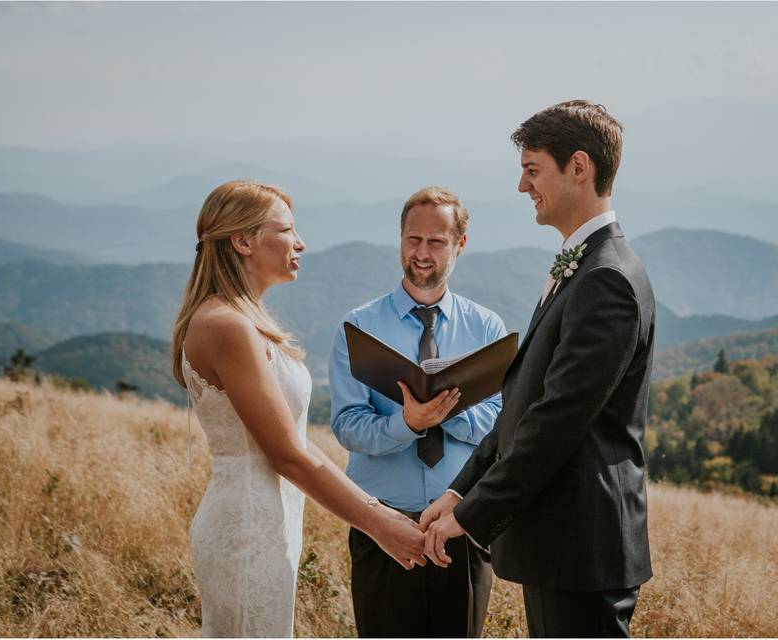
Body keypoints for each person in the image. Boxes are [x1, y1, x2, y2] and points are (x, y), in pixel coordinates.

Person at [420, 101, 656, 638]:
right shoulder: (585, 264)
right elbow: (525, 400)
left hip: (581, 545)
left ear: (579, 167)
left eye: (532, 170)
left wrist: (474, 512)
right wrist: (460, 490)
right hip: (563, 544)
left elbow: (556, 423)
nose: (522, 186)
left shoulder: (606, 280)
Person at [171, 180, 426, 638]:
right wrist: (377, 521)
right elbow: (286, 453)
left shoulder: (239, 321)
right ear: (244, 241)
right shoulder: (229, 326)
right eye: (286, 230)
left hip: (267, 519)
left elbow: (291, 441)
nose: (301, 242)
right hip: (246, 527)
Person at [328, 186, 507, 637]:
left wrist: (448, 412)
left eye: (436, 242)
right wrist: (408, 423)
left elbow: (504, 422)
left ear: (460, 245)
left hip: (462, 522)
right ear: (400, 238)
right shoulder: (358, 328)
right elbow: (347, 426)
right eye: (413, 240)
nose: (422, 253)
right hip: (383, 523)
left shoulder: (486, 328)